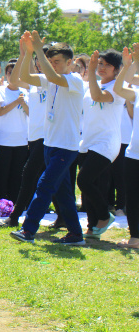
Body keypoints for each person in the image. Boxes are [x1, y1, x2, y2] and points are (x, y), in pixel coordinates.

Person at [10, 33, 86, 245]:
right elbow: (25, 76)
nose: (51, 65)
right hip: (50, 143)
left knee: (44, 186)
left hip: (66, 146)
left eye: (57, 62)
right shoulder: (51, 79)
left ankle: (28, 230)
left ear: (70, 63)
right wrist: (28, 53)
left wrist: (37, 52)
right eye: (50, 61)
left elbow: (52, 77)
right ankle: (75, 234)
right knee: (63, 194)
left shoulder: (75, 80)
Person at [0, 42, 47, 227]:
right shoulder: (34, 84)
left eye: (45, 60)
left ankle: (15, 217)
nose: (40, 64)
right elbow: (15, 81)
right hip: (34, 137)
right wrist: (24, 54)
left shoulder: (54, 82)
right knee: (57, 180)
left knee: (29, 174)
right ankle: (64, 217)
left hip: (49, 136)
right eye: (38, 60)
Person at [77, 49, 124, 239]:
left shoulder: (117, 88)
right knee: (91, 186)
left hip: (106, 143)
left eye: (107, 65)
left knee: (84, 180)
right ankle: (92, 226)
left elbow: (98, 97)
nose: (102, 68)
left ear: (117, 69)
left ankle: (104, 216)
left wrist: (91, 72)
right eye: (100, 64)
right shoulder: (91, 86)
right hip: (87, 141)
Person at [0, 60, 29, 202]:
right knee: (1, 174)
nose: (13, 76)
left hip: (21, 141)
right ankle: (0, 201)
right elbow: (0, 111)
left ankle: (14, 201)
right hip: (2, 140)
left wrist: (23, 103)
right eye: (10, 73)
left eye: (16, 73)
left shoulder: (25, 92)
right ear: (6, 75)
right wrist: (17, 102)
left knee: (17, 174)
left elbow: (31, 114)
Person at [112, 45, 139, 248]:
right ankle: (135, 238)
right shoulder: (136, 92)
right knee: (133, 197)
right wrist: (131, 64)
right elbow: (119, 88)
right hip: (134, 153)